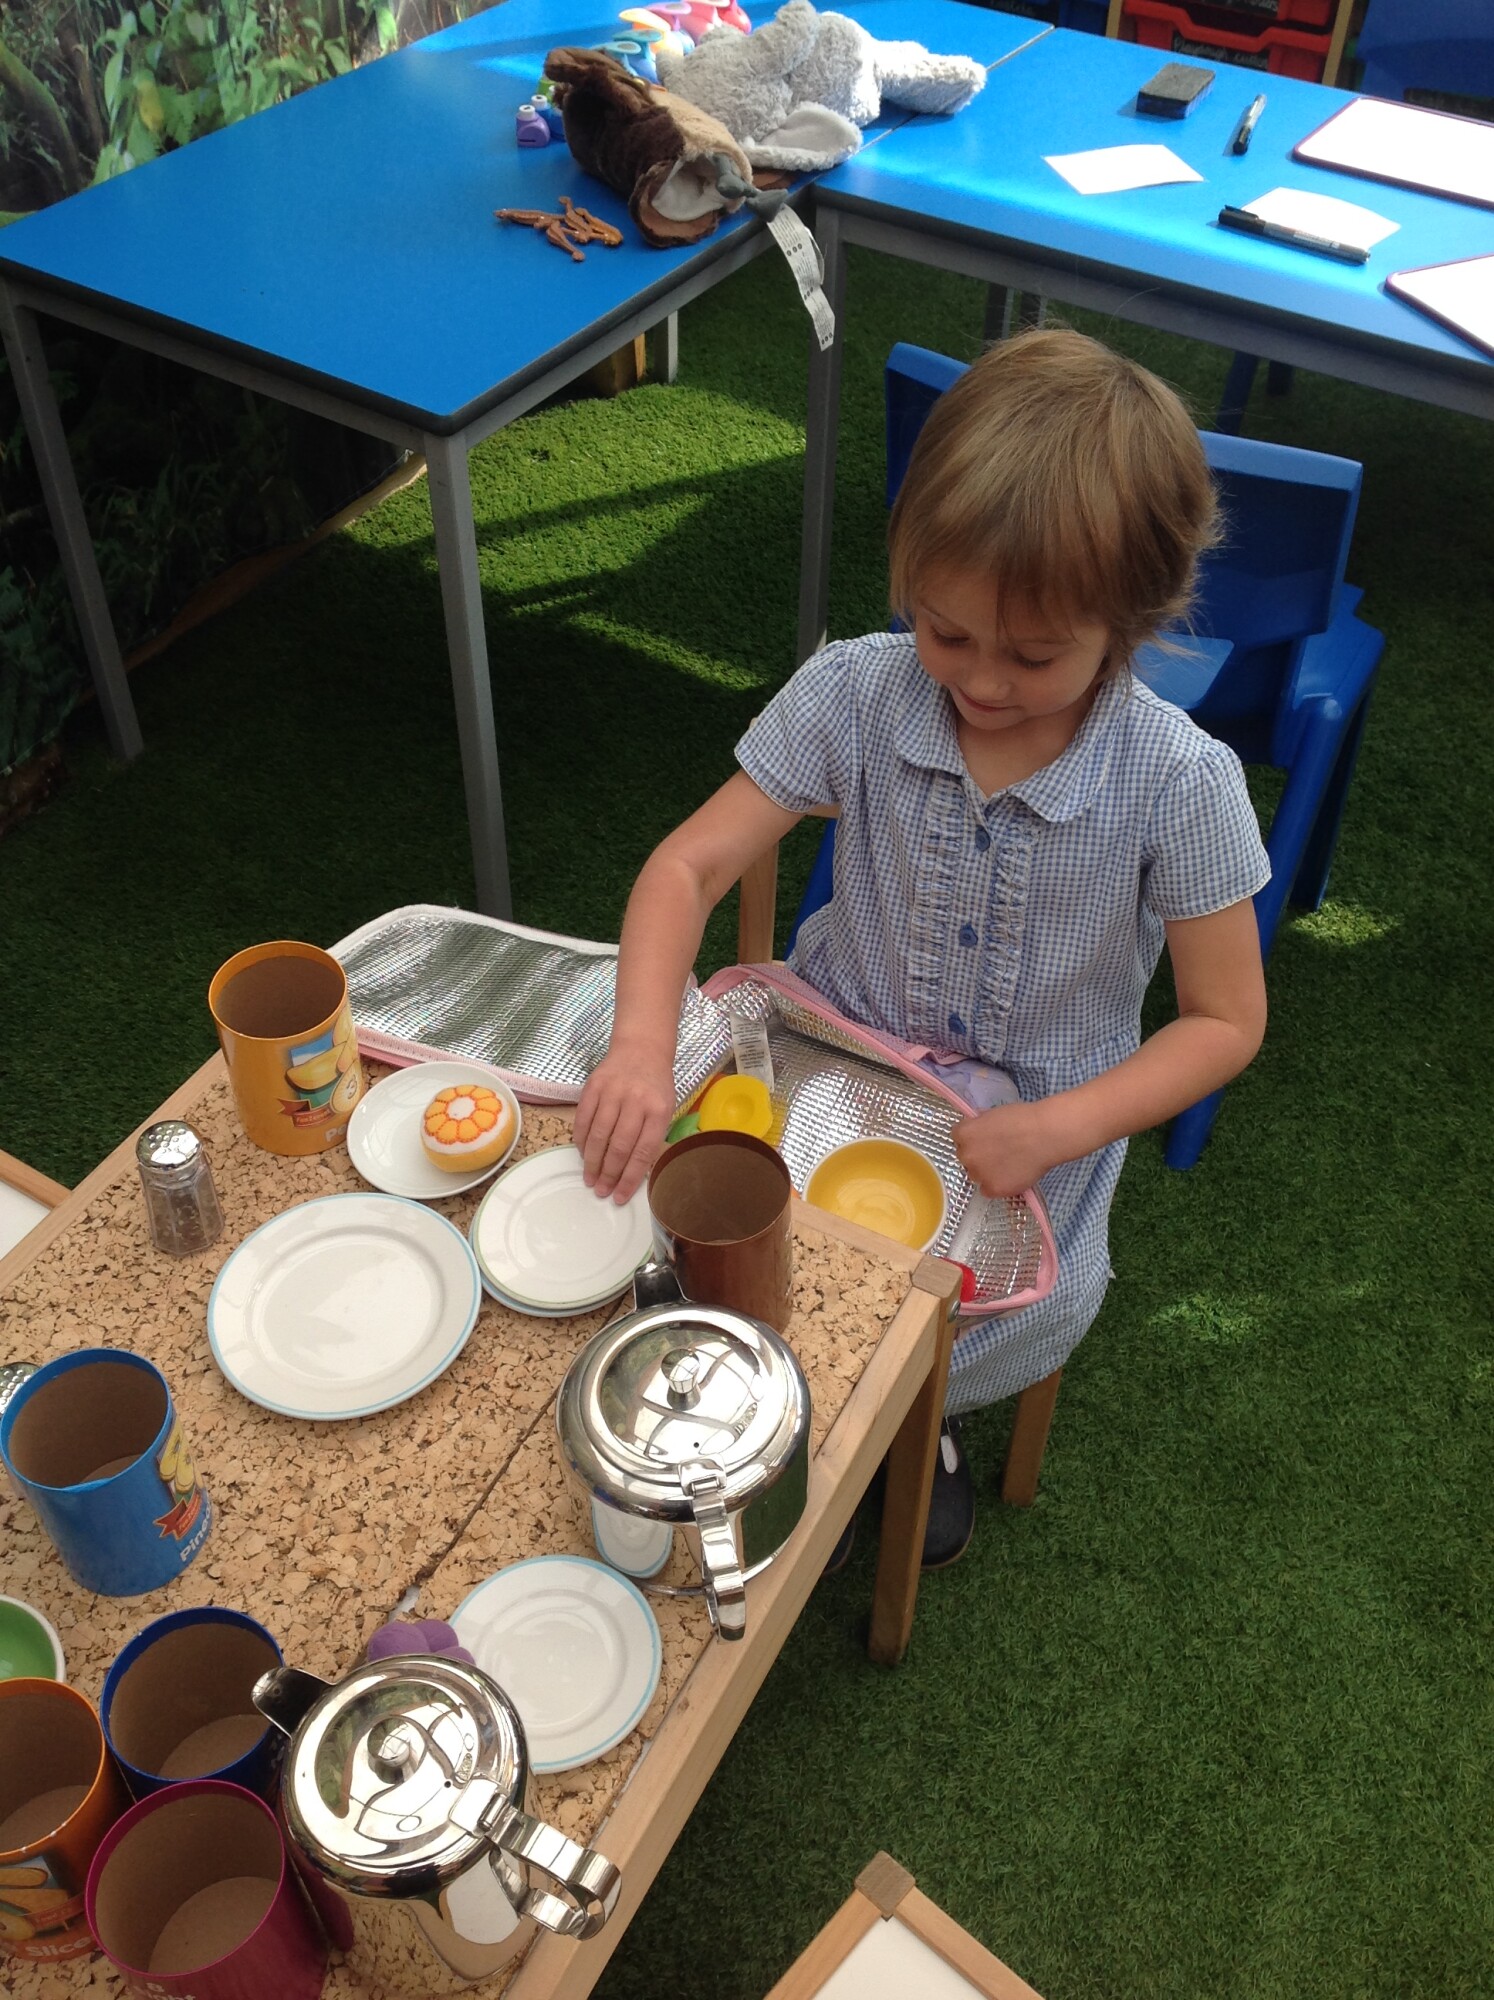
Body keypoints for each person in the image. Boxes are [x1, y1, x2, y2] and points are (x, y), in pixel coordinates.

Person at [575, 328, 1270, 1565]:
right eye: (946, 632)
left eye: (1034, 654)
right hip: (838, 1069)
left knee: (933, 1318)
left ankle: (913, 1419)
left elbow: (1226, 1019)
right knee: (729, 1234)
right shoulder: (858, 689)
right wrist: (637, 1044)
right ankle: (800, 1392)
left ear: (1130, 621)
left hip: (1031, 1137)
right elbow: (686, 867)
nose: (982, 682)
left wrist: (1057, 1128)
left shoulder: (1181, 780)